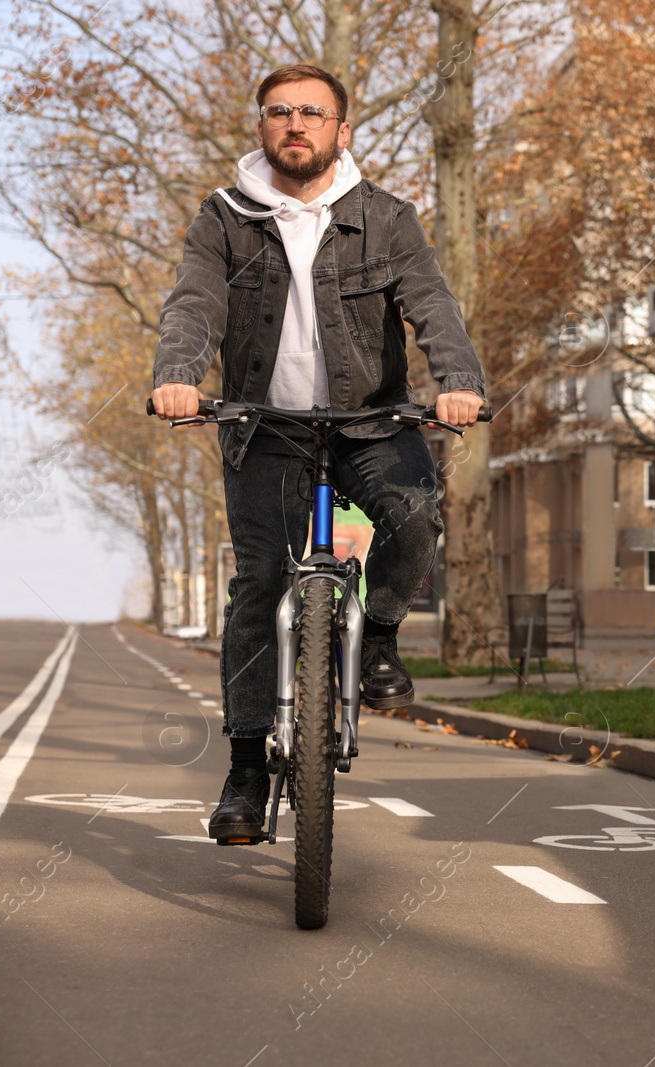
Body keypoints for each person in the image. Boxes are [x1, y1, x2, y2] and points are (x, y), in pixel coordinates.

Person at [149, 65, 486, 841]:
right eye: (279, 112)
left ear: (342, 129)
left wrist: (457, 383)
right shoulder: (224, 218)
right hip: (264, 426)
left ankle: (384, 636)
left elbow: (431, 303)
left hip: (370, 420)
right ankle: (243, 766)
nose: (295, 123)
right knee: (259, 583)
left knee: (413, 516)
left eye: (313, 112)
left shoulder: (387, 218)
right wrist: (177, 377)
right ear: (260, 126)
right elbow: (194, 301)